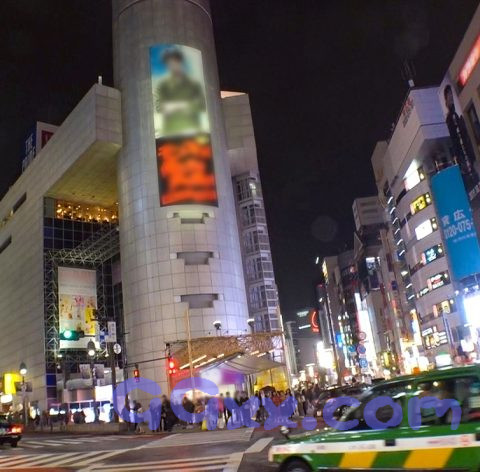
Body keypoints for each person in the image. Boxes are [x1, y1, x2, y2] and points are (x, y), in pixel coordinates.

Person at [155, 47, 206, 137]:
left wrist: (181, 106)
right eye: (169, 64)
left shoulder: (193, 84)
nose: (172, 66)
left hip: (192, 130)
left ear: (180, 62)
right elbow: (159, 107)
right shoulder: (162, 85)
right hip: (171, 131)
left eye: (174, 62)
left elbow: (202, 105)